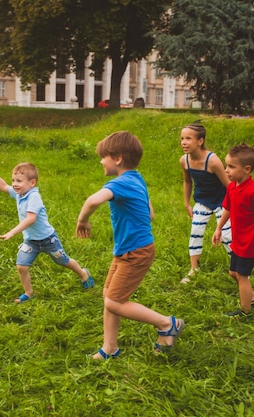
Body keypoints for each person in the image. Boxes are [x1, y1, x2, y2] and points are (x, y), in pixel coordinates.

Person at [76, 131, 184, 359]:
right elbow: (150, 213)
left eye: (103, 156)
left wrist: (83, 220)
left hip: (135, 252)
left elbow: (93, 200)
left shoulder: (120, 182)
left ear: (118, 158)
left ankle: (166, 324)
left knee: (114, 302)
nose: (100, 161)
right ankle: (109, 348)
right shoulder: (136, 178)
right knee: (109, 296)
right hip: (127, 250)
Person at [0, 158, 94, 303]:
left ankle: (83, 274)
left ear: (32, 183)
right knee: (21, 266)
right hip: (31, 241)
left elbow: (31, 218)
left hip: (48, 239)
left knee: (63, 261)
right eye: (13, 180)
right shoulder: (20, 194)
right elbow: (3, 186)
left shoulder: (34, 197)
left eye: (19, 181)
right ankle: (29, 292)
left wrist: (13, 232)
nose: (14, 184)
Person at [212, 143, 254, 317]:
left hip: (251, 242)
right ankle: (253, 299)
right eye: (226, 165)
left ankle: (245, 311)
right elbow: (228, 209)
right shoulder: (232, 187)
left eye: (231, 167)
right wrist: (218, 228)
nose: (226, 170)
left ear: (247, 169)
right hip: (238, 239)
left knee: (242, 275)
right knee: (234, 273)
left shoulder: (253, 192)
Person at [180, 122, 232, 283]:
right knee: (195, 232)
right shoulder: (184, 161)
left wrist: (233, 206)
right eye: (182, 138)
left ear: (200, 141)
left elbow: (229, 186)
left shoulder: (213, 161)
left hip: (221, 201)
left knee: (227, 235)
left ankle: (237, 267)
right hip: (202, 201)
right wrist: (187, 203)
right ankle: (194, 268)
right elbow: (187, 182)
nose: (183, 142)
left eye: (188, 138)